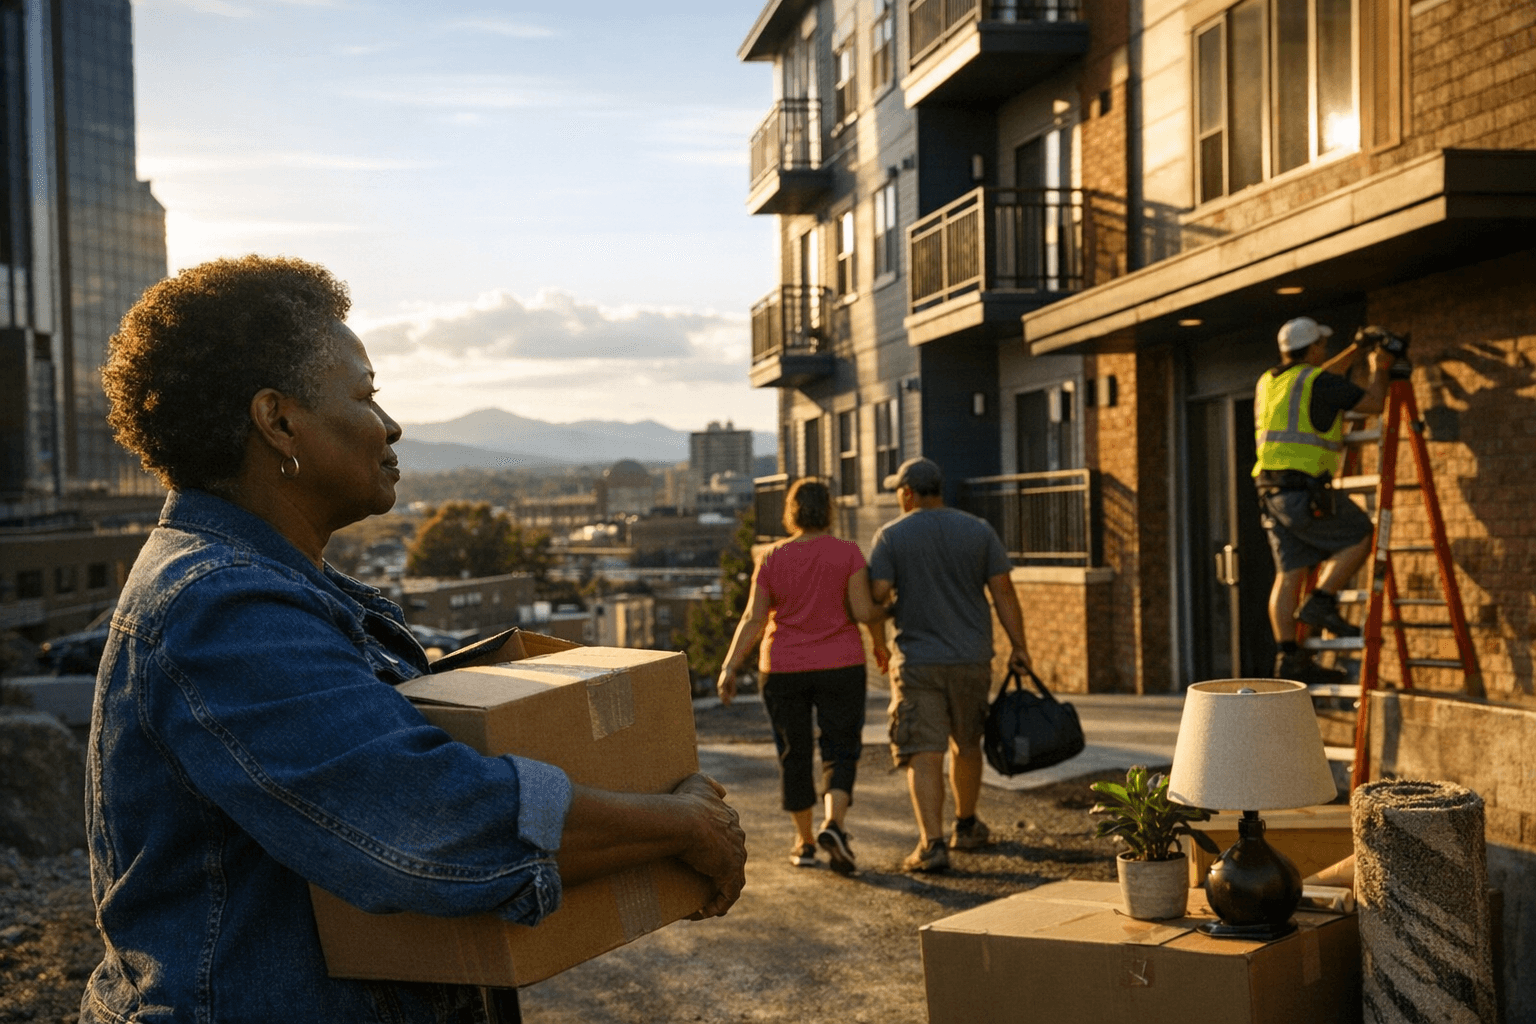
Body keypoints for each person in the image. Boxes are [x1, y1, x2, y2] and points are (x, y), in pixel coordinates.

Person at [84, 256, 747, 1024]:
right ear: (278, 420)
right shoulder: (223, 608)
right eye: (366, 396)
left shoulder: (276, 589)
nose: (391, 425)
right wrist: (680, 824)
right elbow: (427, 823)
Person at [867, 457, 1031, 874]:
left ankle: (932, 844)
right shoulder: (978, 530)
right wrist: (1020, 647)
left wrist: (889, 609)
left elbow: (879, 593)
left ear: (907, 492)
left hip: (918, 661)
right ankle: (966, 824)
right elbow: (1004, 592)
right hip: (971, 657)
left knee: (924, 750)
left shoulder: (891, 536)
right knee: (967, 741)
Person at [715, 478, 887, 875]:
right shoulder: (847, 553)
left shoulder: (773, 557)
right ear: (829, 511)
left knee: (794, 753)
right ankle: (835, 825)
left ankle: (805, 842)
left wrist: (730, 665)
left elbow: (754, 617)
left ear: (791, 512)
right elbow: (863, 612)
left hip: (783, 668)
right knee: (840, 746)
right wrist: (886, 616)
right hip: (841, 664)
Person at [1254, 316, 1396, 686]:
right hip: (1304, 492)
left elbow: (1321, 376)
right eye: (1323, 345)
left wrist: (1357, 349)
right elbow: (1375, 404)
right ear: (1314, 348)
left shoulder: (1272, 381)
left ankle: (1289, 658)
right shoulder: (1318, 382)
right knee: (1362, 534)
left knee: (1288, 574)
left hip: (1271, 494)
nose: (1326, 351)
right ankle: (1321, 600)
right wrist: (1378, 367)